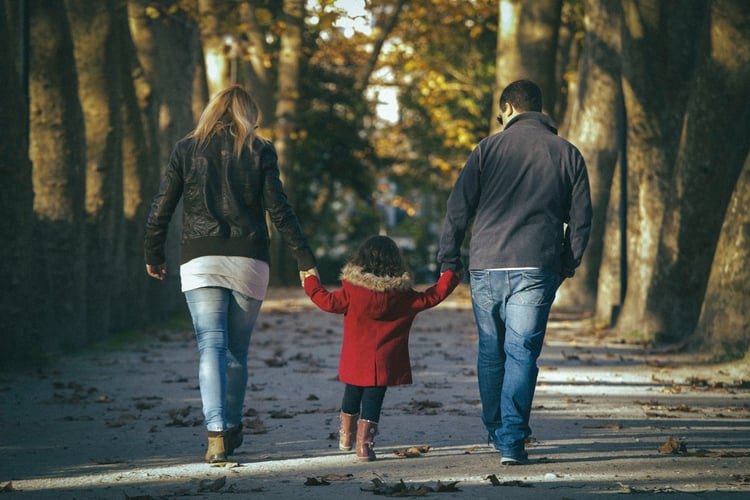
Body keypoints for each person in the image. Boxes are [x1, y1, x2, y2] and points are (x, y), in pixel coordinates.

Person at [144, 85, 317, 463]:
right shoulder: (259, 150)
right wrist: (305, 258)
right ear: (248, 114)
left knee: (211, 345)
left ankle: (216, 431)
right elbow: (280, 209)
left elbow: (163, 205)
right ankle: (233, 425)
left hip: (199, 258)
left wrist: (152, 252)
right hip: (248, 259)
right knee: (237, 350)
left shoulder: (185, 149)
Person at [437, 79, 592, 465]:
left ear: (507, 109)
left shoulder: (486, 150)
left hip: (486, 263)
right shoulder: (567, 153)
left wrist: (448, 260)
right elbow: (582, 219)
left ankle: (496, 429)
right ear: (539, 110)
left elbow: (458, 209)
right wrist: (566, 262)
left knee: (491, 352)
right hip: (536, 263)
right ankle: (511, 440)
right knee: (522, 354)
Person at [301, 235, 461, 461]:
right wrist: (450, 276)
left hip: (355, 359)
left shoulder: (352, 291)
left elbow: (327, 301)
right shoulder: (403, 295)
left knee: (352, 393)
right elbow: (432, 296)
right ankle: (364, 447)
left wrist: (310, 282)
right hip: (384, 362)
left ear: (361, 260)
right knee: (374, 400)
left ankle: (346, 437)